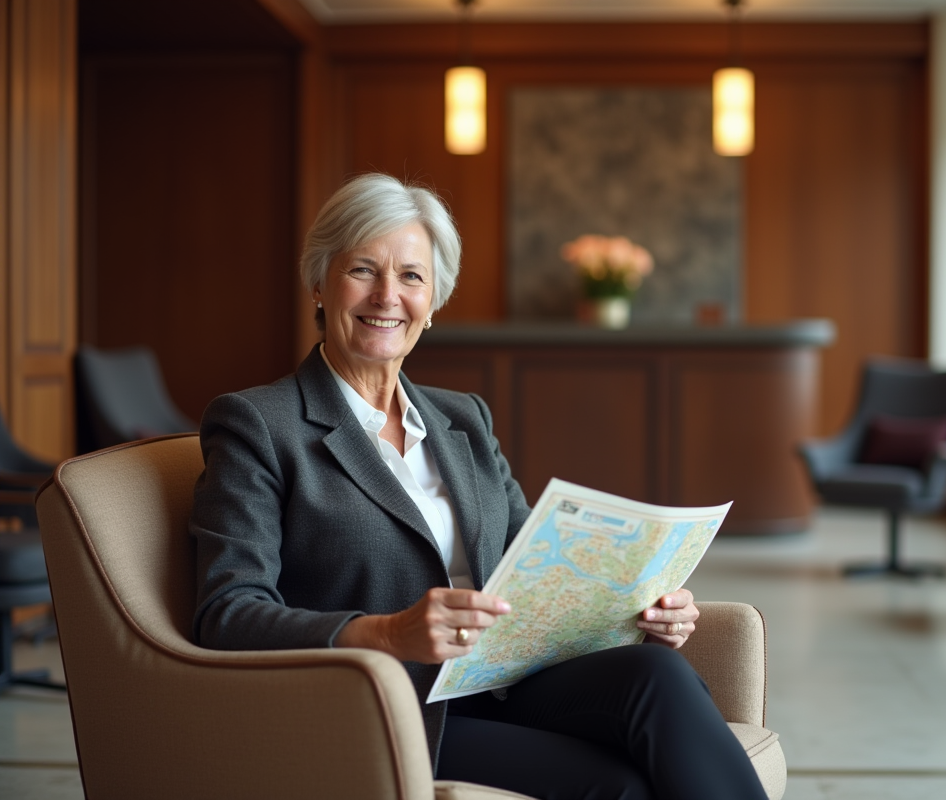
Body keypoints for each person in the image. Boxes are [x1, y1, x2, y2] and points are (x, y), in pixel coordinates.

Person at [190, 173, 768, 800]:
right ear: (319, 284)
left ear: (434, 300)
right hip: (393, 705)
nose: (388, 295)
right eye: (363, 270)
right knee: (622, 785)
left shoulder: (462, 417)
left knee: (660, 673)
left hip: (507, 678)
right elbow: (227, 613)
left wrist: (637, 607)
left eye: (411, 276)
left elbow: (535, 562)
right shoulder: (258, 424)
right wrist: (386, 633)